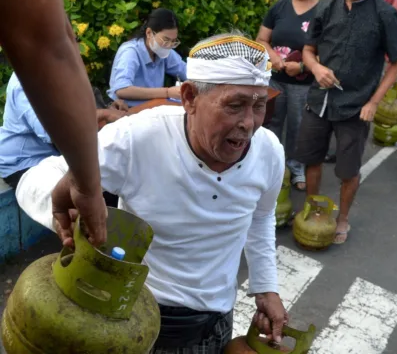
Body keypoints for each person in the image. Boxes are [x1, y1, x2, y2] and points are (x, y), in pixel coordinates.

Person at [16, 33, 288, 352]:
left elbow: (261, 216)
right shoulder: (140, 138)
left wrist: (266, 287)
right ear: (189, 98)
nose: (249, 123)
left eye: (258, 106)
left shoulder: (269, 151)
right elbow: (38, 177)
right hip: (133, 324)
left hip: (215, 324)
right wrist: (71, 200)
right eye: (235, 105)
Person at [296, 0, 397, 244]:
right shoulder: (326, 7)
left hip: (355, 107)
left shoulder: (384, 14)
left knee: (348, 170)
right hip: (319, 99)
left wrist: (373, 102)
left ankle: (342, 218)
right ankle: (313, 207)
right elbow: (308, 50)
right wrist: (317, 68)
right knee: (312, 160)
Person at [0, 0, 109, 246]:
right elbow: (44, 45)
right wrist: (87, 187)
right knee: (76, 214)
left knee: (103, 189)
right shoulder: (26, 83)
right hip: (23, 164)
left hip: (52, 157)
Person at [257, 0, 323, 192]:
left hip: (303, 85)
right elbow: (262, 39)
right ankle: (270, 167)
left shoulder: (323, 11)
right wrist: (273, 57)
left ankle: (296, 168)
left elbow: (327, 52)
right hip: (275, 79)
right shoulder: (280, 8)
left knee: (298, 126)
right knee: (271, 123)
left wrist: (304, 67)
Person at [0, 73, 125, 191]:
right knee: (88, 191)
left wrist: (108, 107)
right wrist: (102, 114)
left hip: (54, 155)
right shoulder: (24, 82)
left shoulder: (55, 71)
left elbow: (77, 107)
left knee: (115, 173)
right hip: (23, 162)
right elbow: (53, 131)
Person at [108, 8, 188, 108]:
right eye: (166, 40)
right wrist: (167, 92)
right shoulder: (130, 51)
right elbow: (122, 89)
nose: (169, 45)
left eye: (173, 41)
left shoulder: (163, 50)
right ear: (149, 33)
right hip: (126, 111)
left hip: (151, 109)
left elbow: (186, 71)